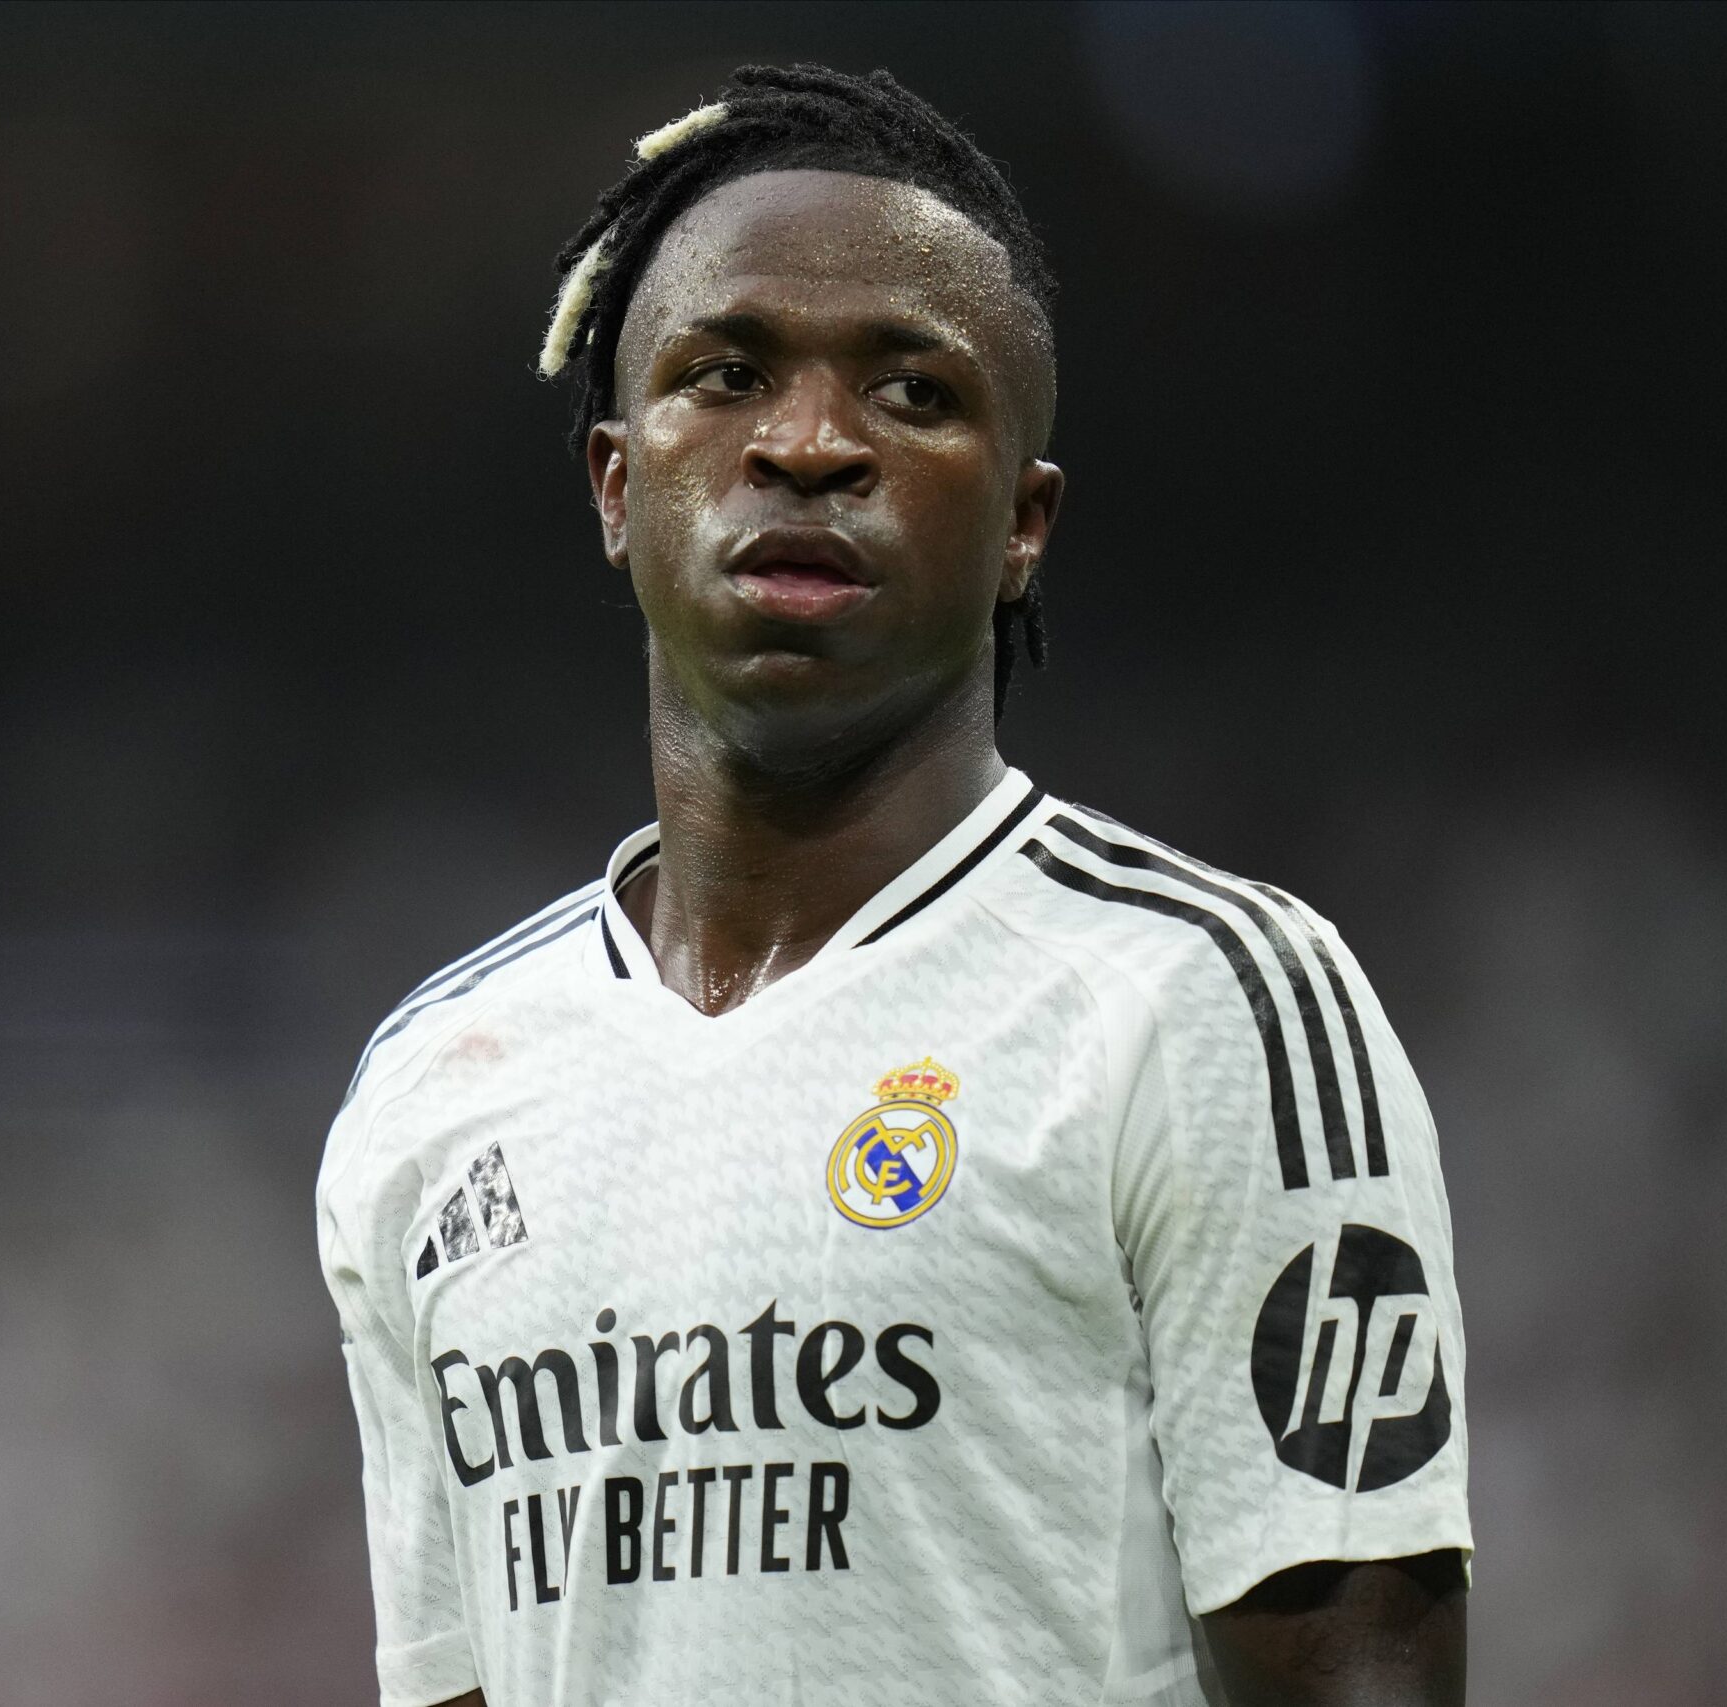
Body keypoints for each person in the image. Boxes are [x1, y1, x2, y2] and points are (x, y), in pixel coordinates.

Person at [318, 64, 1469, 1707]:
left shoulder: (1207, 999)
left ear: (1024, 523)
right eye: (724, 376)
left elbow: (1366, 1672)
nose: (805, 445)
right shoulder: (429, 1094)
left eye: (913, 395)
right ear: (613, 482)